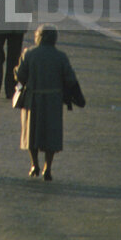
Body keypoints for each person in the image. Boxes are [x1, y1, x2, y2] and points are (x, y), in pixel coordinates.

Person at [15, 25, 79, 181]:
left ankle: (34, 164)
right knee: (51, 134)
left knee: (31, 133)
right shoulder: (61, 56)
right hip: (53, 100)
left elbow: (20, 76)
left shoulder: (29, 54)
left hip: (33, 98)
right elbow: (70, 78)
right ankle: (47, 167)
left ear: (38, 37)